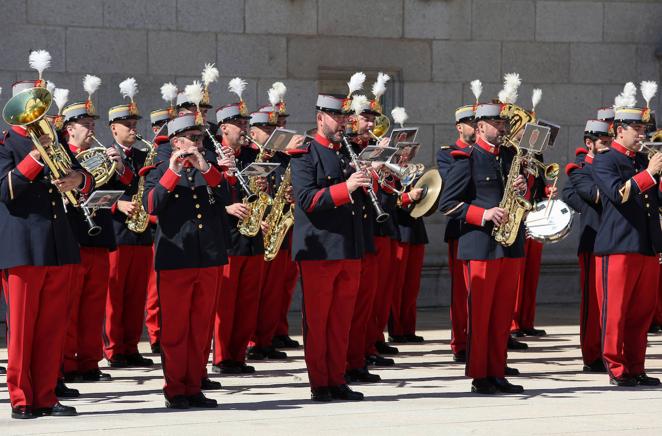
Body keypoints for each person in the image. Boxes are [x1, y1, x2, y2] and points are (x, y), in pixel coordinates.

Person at [0, 78, 93, 419]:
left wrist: (78, 180)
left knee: (53, 326)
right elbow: (5, 189)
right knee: (23, 328)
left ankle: (46, 394)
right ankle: (22, 399)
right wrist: (37, 157)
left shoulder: (54, 140)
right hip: (23, 247)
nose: (38, 113)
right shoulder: (6, 144)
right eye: (30, 105)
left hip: (57, 243)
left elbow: (84, 175)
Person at [144, 113, 233, 409]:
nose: (198, 144)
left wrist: (206, 166)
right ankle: (175, 389)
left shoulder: (209, 168)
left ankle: (194, 386)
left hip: (207, 256)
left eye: (200, 138)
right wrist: (171, 171)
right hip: (175, 258)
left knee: (200, 328)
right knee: (176, 330)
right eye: (192, 139)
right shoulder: (157, 169)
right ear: (176, 141)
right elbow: (152, 206)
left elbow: (226, 195)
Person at [439, 101, 527, 394]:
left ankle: (497, 370)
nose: (502, 127)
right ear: (480, 127)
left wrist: (521, 188)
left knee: (502, 315)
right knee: (481, 314)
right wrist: (483, 214)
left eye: (503, 122)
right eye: (496, 123)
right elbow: (448, 205)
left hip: (509, 244)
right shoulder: (466, 158)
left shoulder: (508, 156)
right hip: (480, 246)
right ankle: (480, 375)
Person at [290, 94, 370, 401]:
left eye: (346, 118)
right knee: (319, 320)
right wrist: (346, 187)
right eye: (337, 118)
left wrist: (368, 181)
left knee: (341, 321)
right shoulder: (304, 153)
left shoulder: (345, 152)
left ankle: (337, 379)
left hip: (349, 247)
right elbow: (307, 199)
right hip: (319, 251)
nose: (343, 124)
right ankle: (320, 383)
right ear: (320, 117)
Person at [592, 104, 662, 386]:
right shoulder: (606, 160)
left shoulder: (639, 161)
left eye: (644, 129)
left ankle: (636, 366)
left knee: (641, 313)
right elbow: (618, 194)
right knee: (616, 311)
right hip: (618, 244)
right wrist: (650, 172)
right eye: (637, 129)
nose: (642, 134)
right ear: (619, 131)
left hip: (646, 244)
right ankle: (616, 368)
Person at [60, 86, 127, 383]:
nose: (91, 130)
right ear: (69, 129)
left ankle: (89, 362)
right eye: (85, 125)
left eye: (92, 125)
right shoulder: (62, 157)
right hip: (72, 236)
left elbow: (123, 187)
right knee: (71, 306)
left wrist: (120, 164)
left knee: (93, 305)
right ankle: (68, 363)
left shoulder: (101, 156)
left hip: (99, 237)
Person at [103, 78, 154, 368]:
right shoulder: (103, 155)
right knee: (116, 294)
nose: (134, 128)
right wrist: (116, 203)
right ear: (114, 129)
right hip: (118, 231)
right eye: (128, 124)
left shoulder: (144, 154)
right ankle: (113, 349)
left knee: (136, 294)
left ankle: (131, 346)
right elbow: (92, 192)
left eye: (135, 123)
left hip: (141, 231)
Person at [212, 96, 265, 374]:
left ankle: (239, 355)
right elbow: (205, 196)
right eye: (238, 123)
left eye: (246, 122)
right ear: (224, 128)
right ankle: (222, 358)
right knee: (227, 302)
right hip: (228, 238)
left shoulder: (251, 155)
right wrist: (226, 207)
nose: (244, 127)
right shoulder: (211, 155)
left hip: (253, 235)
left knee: (247, 301)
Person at [562, 119, 611, 372]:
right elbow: (568, 193)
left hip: (617, 239)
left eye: (610, 141)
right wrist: (588, 209)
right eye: (604, 142)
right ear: (589, 143)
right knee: (593, 304)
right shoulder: (581, 168)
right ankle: (592, 355)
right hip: (593, 239)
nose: (608, 146)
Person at [436, 102, 476, 362]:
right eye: (471, 123)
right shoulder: (448, 154)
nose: (475, 127)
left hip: (487, 229)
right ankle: (460, 342)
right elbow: (452, 185)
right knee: (462, 291)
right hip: (461, 227)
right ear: (460, 127)